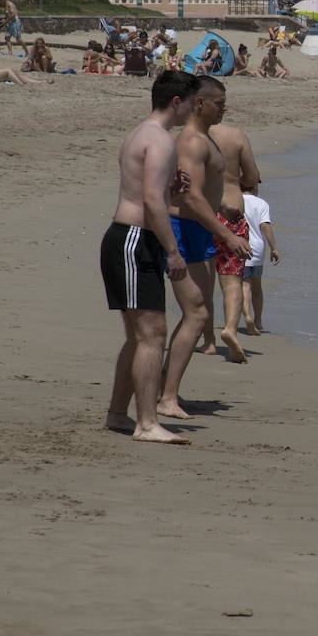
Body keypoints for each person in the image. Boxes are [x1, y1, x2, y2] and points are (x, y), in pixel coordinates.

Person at [100, 70, 199, 444]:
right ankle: (146, 423)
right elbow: (151, 202)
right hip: (134, 239)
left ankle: (117, 414)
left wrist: (171, 187)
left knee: (139, 335)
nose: (193, 109)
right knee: (152, 334)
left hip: (128, 238)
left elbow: (148, 189)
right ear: (177, 102)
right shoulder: (161, 140)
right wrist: (173, 251)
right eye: (191, 102)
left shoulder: (141, 134)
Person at [160, 76, 251, 418]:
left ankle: (166, 389)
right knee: (197, 314)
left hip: (197, 228)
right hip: (183, 229)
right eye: (219, 104)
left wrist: (222, 209)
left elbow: (203, 194)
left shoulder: (206, 139)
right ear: (200, 103)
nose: (224, 110)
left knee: (196, 313)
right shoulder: (193, 142)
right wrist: (227, 235)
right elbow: (190, 196)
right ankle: (167, 396)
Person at [200, 113, 261, 364]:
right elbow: (251, 176)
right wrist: (234, 180)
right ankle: (230, 329)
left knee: (204, 282)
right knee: (232, 281)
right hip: (232, 216)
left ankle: (208, 342)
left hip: (203, 214)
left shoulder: (192, 138)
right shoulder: (236, 136)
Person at [239, 184, 280, 336]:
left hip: (240, 247)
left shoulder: (235, 200)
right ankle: (258, 320)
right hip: (257, 248)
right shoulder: (261, 203)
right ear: (254, 187)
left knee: (245, 286)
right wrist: (274, 247)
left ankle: (247, 317)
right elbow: (265, 226)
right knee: (257, 287)